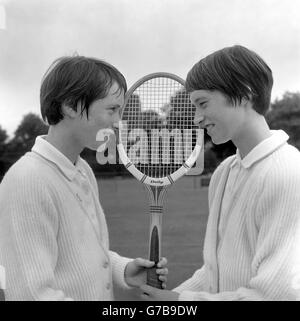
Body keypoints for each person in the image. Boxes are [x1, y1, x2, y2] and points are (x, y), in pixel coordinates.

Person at [0, 56, 167, 300]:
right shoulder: (27, 181)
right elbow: (31, 294)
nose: (118, 121)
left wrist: (124, 270)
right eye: (112, 110)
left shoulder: (82, 171)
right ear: (70, 106)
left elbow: (81, 254)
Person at [140, 45, 300, 300]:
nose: (196, 118)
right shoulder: (223, 173)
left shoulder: (288, 172)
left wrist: (181, 302)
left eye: (202, 103)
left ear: (245, 93)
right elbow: (213, 273)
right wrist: (171, 298)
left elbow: (276, 294)